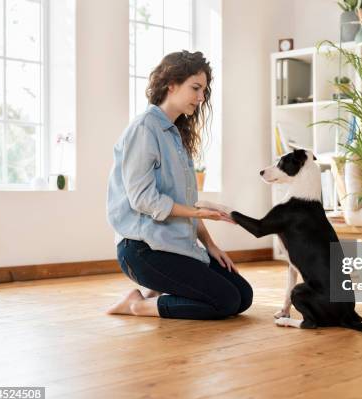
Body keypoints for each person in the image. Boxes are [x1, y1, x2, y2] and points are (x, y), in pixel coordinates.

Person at [105, 51, 252, 319]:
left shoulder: (176, 135)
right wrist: (196, 214)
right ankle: (137, 305)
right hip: (141, 249)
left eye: (204, 90)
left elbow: (186, 201)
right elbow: (142, 199)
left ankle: (155, 293)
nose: (201, 97)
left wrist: (211, 245)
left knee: (243, 296)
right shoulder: (144, 129)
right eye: (195, 88)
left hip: (174, 245)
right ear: (171, 84)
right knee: (226, 301)